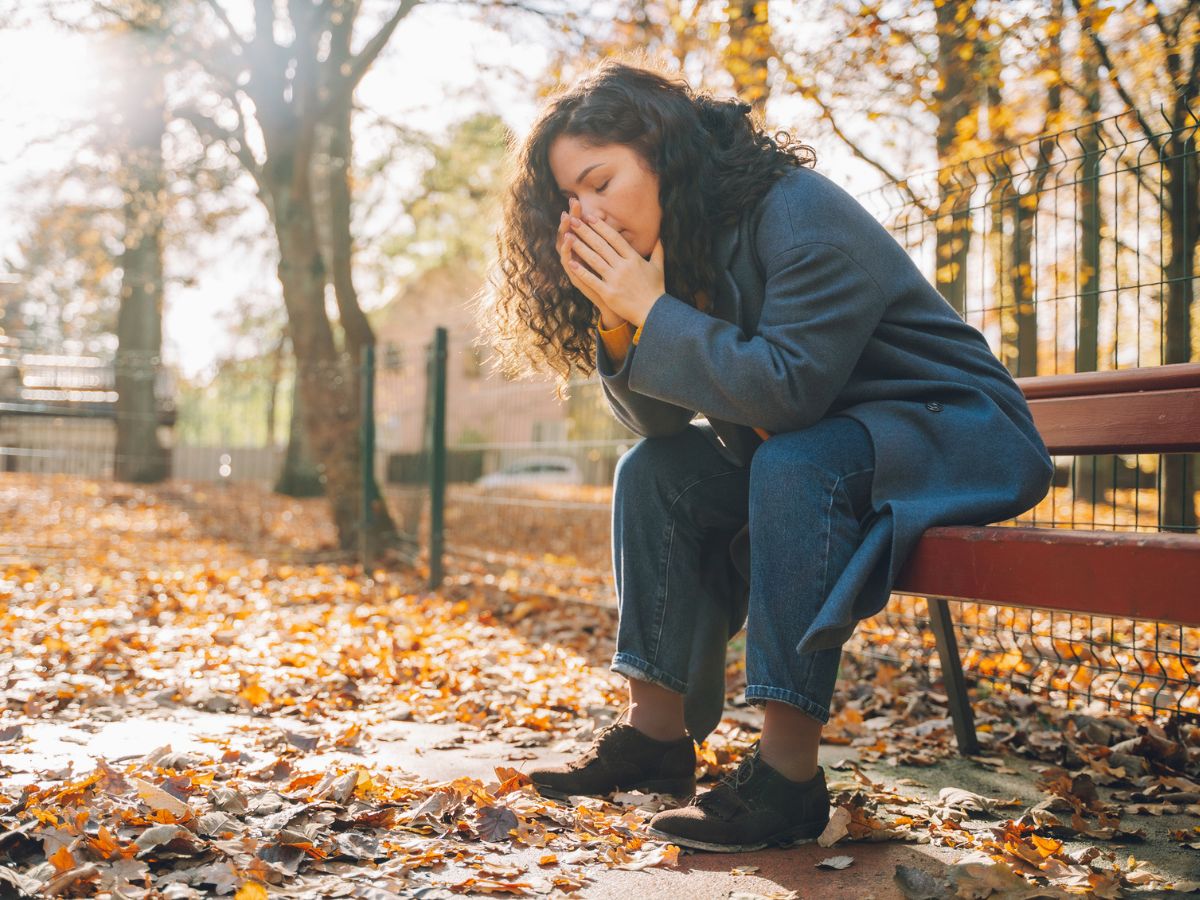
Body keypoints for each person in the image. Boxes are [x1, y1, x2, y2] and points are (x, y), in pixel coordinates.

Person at [473, 58, 1053, 853]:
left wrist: (650, 307)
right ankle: (657, 739)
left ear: (661, 150)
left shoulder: (799, 215)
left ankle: (788, 780)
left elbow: (788, 394)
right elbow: (661, 428)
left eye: (600, 182)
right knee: (655, 474)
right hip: (824, 443)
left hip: (948, 434)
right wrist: (618, 318)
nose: (586, 214)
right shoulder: (686, 247)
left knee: (794, 462)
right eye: (570, 199)